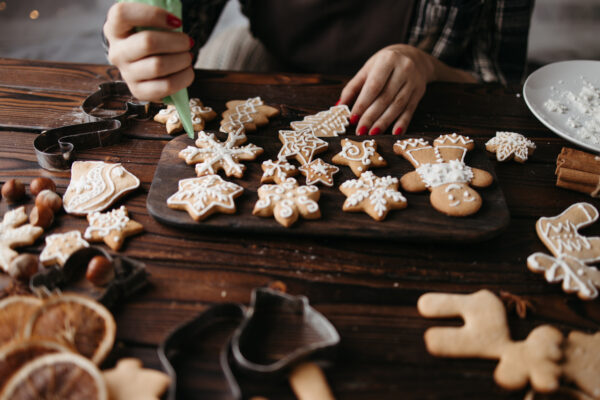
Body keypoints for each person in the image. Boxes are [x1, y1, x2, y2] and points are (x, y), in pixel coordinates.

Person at [103, 0, 534, 135]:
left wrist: (423, 65)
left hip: (433, 83)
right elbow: (176, 20)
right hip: (274, 56)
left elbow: (497, 84)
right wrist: (140, 47)